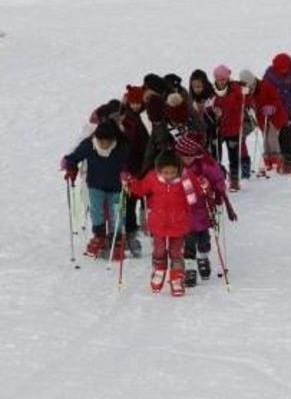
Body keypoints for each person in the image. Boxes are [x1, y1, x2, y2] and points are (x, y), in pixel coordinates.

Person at [124, 151, 200, 297]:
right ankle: (159, 270)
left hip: (178, 223)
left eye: (172, 172)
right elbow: (140, 189)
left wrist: (203, 185)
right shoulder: (153, 178)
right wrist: (130, 182)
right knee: (159, 250)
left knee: (176, 253)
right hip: (159, 223)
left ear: (178, 169)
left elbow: (195, 196)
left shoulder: (185, 178)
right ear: (159, 170)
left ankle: (177, 278)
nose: (169, 176)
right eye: (165, 172)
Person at [174, 132, 236, 287]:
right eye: (184, 156)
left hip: (203, 209)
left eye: (190, 156)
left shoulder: (205, 164)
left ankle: (203, 258)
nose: (187, 159)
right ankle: (190, 268)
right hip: (184, 210)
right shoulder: (176, 167)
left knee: (204, 240)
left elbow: (217, 178)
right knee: (188, 241)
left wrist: (218, 191)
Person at [61, 122, 129, 260]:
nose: (104, 144)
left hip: (117, 187)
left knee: (118, 212)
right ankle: (99, 235)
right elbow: (73, 157)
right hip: (95, 185)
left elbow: (128, 162)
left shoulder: (121, 147)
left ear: (113, 140)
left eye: (107, 142)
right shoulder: (89, 145)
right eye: (101, 141)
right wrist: (70, 167)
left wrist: (126, 172)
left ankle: (116, 237)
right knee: (96, 210)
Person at [240, 69, 287, 176]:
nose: (249, 88)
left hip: (275, 116)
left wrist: (272, 107)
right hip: (262, 118)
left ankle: (276, 163)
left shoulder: (265, 85)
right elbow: (246, 101)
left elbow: (277, 99)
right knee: (265, 139)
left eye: (249, 85)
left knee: (271, 137)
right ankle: (268, 163)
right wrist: (246, 105)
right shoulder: (246, 90)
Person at [121, 85, 150, 257]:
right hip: (130, 164)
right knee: (130, 200)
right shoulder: (125, 118)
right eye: (133, 103)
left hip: (145, 162)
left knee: (147, 196)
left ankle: (147, 225)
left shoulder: (147, 116)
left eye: (138, 103)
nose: (136, 106)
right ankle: (130, 233)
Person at [263, 53, 291, 174]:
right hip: (276, 109)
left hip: (290, 109)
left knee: (287, 133)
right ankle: (277, 160)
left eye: (285, 68)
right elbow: (264, 90)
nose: (284, 71)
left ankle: (288, 161)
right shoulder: (269, 75)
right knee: (274, 135)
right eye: (281, 69)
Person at [212, 65, 244, 190]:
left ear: (228, 78)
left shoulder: (236, 89)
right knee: (216, 155)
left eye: (223, 79)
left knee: (233, 155)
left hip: (233, 128)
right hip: (218, 128)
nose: (221, 82)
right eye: (218, 79)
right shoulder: (212, 91)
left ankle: (234, 179)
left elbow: (243, 103)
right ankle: (217, 178)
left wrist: (245, 95)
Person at [188, 69, 219, 158]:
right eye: (194, 87)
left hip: (212, 132)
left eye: (199, 86)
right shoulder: (191, 99)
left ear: (204, 85)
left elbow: (216, 115)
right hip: (198, 133)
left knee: (214, 156)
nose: (197, 89)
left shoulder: (212, 97)